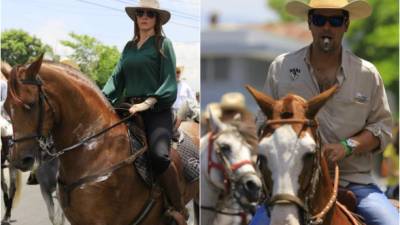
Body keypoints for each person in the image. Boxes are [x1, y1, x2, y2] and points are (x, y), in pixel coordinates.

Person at [253, 0, 397, 225]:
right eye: (320, 19)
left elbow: (383, 128)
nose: (327, 27)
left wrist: (346, 147)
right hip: (289, 187)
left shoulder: (367, 74)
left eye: (335, 20)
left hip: (354, 182)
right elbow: (263, 122)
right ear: (310, 23)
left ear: (346, 24)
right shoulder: (281, 68)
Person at [101, 0, 187, 219]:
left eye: (150, 13)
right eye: (140, 13)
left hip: (156, 110)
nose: (144, 17)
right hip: (129, 107)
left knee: (159, 156)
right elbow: (116, 79)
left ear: (157, 19)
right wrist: (100, 99)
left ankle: (177, 207)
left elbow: (169, 82)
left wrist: (147, 103)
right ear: (136, 17)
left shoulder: (163, 44)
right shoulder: (129, 47)